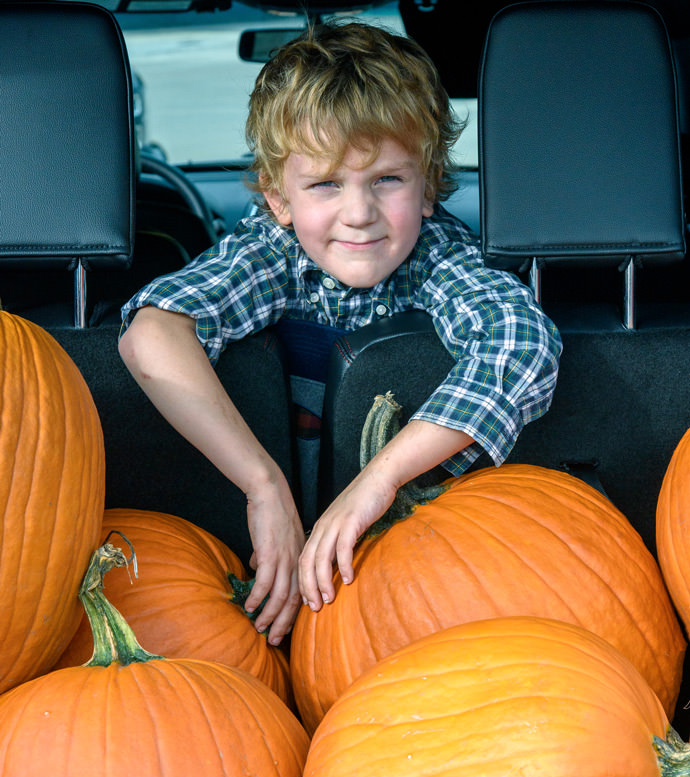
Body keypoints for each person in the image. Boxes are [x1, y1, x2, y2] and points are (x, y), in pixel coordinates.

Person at [118, 19, 562, 647]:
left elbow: (521, 346)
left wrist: (378, 480)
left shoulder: (437, 257)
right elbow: (153, 334)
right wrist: (262, 485)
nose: (359, 213)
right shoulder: (274, 253)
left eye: (388, 179)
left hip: (394, 593)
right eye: (325, 183)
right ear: (278, 199)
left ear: (429, 185)